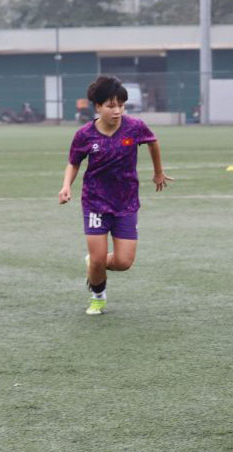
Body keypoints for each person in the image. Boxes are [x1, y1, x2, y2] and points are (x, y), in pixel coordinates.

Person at [58, 75, 173, 315]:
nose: (118, 110)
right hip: (95, 202)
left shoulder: (135, 127)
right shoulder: (84, 135)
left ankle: (93, 265)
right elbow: (74, 162)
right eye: (111, 105)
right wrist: (66, 185)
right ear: (98, 106)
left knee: (123, 263)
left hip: (126, 202)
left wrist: (158, 172)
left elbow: (153, 142)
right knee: (99, 258)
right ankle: (98, 296)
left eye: (121, 105)